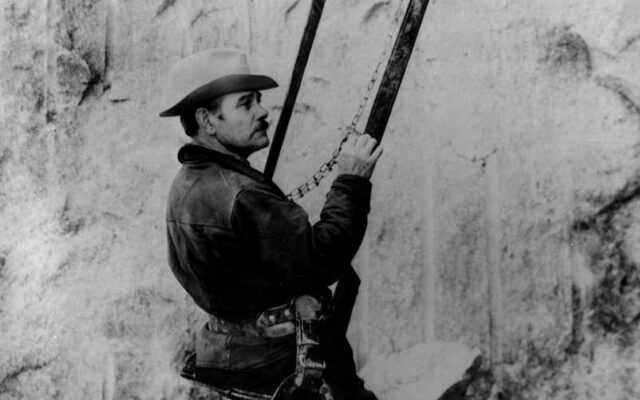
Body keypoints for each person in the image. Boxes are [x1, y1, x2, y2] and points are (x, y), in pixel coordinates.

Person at [160, 48, 382, 400]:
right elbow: (322, 260)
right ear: (207, 121)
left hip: (231, 356)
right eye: (245, 104)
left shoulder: (187, 181)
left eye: (258, 101)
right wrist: (350, 182)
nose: (263, 112)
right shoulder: (240, 192)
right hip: (280, 366)